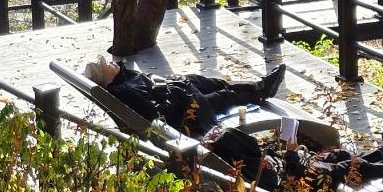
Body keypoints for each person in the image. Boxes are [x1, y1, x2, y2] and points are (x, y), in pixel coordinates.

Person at [84, 55, 285, 137]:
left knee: (197, 80)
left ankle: (257, 88)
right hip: (182, 113)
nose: (112, 63)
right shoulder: (125, 91)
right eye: (107, 66)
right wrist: (175, 93)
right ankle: (258, 90)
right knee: (220, 96)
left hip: (172, 92)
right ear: (107, 80)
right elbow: (156, 114)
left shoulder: (124, 79)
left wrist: (173, 85)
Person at [282, 129, 383, 192]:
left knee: (342, 154)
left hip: (308, 166)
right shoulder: (263, 177)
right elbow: (292, 174)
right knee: (354, 165)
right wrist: (290, 152)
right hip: (312, 179)